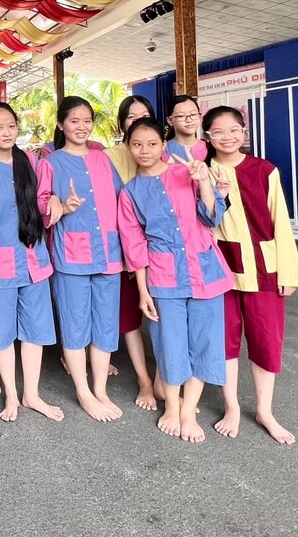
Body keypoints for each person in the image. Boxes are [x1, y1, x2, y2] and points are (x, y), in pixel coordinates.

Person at [117, 118, 233, 443]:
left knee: (204, 341)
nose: (144, 150)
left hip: (205, 271)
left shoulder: (187, 173)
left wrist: (204, 182)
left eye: (152, 144)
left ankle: (187, 410)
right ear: (128, 147)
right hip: (163, 276)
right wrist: (143, 292)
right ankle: (171, 405)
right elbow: (135, 246)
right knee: (169, 342)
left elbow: (211, 216)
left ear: (163, 144)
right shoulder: (130, 193)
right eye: (137, 144)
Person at [203, 106, 298, 444]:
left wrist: (288, 271)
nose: (227, 137)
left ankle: (265, 410)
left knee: (266, 341)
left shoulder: (264, 170)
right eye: (219, 131)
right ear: (208, 137)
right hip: (222, 270)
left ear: (244, 132)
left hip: (265, 269)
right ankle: (231, 407)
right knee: (225, 340)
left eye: (234, 130)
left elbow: (280, 223)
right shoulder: (203, 171)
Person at [0, 103, 63, 423]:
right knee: (2, 333)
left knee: (35, 331)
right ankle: (11, 394)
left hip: (34, 258)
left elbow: (44, 201)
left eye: (11, 126)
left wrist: (56, 201)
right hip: (0, 264)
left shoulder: (32, 161)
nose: (6, 132)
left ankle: (31, 394)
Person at [37, 96, 124, 423]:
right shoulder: (51, 163)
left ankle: (100, 389)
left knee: (105, 323)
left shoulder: (104, 159)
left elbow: (123, 201)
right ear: (61, 124)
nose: (82, 127)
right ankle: (83, 392)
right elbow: (41, 206)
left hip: (109, 253)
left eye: (87, 120)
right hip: (71, 255)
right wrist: (59, 204)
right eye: (74, 121)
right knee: (74, 324)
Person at [104, 96, 159, 410]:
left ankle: (166, 381)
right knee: (130, 319)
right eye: (131, 117)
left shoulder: (165, 155)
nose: (138, 120)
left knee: (165, 318)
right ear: (122, 123)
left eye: (144, 114)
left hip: (163, 252)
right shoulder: (109, 157)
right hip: (125, 249)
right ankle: (144, 380)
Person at [165, 94, 206, 161]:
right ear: (170, 120)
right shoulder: (163, 149)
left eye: (193, 114)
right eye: (181, 116)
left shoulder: (209, 147)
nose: (189, 120)